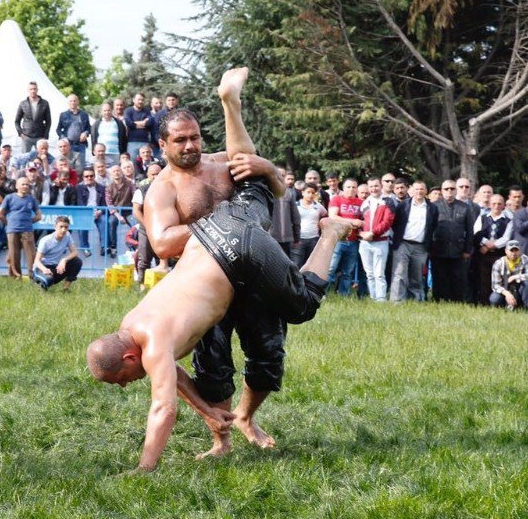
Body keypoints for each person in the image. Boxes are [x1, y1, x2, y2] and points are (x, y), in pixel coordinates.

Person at [88, 181, 353, 472]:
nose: (125, 384)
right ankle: (257, 175)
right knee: (254, 186)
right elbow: (170, 372)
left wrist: (145, 467)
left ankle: (330, 232)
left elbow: (163, 408)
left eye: (120, 378)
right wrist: (207, 411)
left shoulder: (152, 343)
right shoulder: (132, 324)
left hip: (238, 248)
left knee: (303, 305)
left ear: (128, 357)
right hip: (214, 225)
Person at [141, 68, 289, 457]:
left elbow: (278, 191)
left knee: (268, 353)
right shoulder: (162, 190)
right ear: (162, 146)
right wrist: (224, 227)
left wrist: (268, 169)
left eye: (194, 137)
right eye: (180, 140)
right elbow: (162, 243)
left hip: (253, 274)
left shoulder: (224, 162)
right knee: (214, 365)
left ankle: (245, 416)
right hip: (203, 285)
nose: (190, 146)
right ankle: (220, 439)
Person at [389, 180, 438, 301]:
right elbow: (396, 224)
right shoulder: (403, 205)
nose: (419, 192)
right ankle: (397, 301)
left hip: (421, 247)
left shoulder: (432, 208)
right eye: (416, 189)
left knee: (416, 276)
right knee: (399, 273)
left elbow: (433, 226)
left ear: (426, 191)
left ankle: (416, 300)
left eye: (422, 189)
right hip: (403, 244)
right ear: (411, 191)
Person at [430, 179, 476, 302]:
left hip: (458, 250)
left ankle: (456, 302)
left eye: (452, 189)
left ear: (456, 190)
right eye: (446, 189)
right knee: (439, 277)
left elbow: (470, 231)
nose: (449, 191)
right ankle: (438, 301)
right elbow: (429, 228)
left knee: (457, 279)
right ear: (441, 191)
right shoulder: (434, 206)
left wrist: (467, 250)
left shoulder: (465, 208)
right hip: (438, 249)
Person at [0, 177, 42, 279]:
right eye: (23, 184)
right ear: (17, 186)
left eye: (27, 184)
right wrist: (9, 223)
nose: (25, 186)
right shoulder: (9, 198)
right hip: (12, 230)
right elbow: (0, 214)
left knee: (31, 255)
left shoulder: (32, 199)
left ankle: (33, 276)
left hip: (27, 230)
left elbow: (39, 216)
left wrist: (29, 222)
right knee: (13, 255)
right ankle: (16, 277)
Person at [327, 178, 364, 296]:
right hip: (338, 239)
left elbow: (365, 220)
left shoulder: (361, 202)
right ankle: (322, 294)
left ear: (357, 189)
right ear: (343, 188)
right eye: (348, 187)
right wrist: (353, 221)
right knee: (331, 269)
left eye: (354, 187)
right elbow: (332, 216)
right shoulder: (336, 199)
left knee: (348, 272)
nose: (351, 189)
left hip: (354, 241)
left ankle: (344, 294)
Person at [33, 215, 83, 290]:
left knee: (77, 262)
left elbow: (75, 252)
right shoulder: (46, 241)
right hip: (42, 268)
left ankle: (65, 289)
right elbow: (37, 261)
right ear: (55, 227)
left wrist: (64, 260)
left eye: (66, 227)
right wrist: (44, 269)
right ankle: (40, 283)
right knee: (47, 281)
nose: (63, 230)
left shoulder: (67, 235)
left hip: (55, 267)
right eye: (61, 226)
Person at [489, 241, 528, 309]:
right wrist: (507, 294)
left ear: (519, 251)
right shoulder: (498, 263)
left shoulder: (524, 259)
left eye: (516, 250)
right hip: (505, 290)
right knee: (494, 299)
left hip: (519, 290)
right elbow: (495, 285)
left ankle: (527, 309)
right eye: (511, 250)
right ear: (506, 251)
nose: (514, 253)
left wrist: (516, 277)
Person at [293, 182, 328, 268]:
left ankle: (307, 281)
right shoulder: (296, 205)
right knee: (296, 264)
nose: (310, 195)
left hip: (314, 239)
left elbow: (325, 215)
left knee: (311, 264)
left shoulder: (318, 206)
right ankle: (295, 281)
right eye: (308, 192)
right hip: (299, 239)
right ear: (302, 192)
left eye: (313, 193)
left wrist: (321, 224)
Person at [14, 82, 51, 154]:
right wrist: (20, 133)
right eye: (31, 89)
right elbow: (16, 121)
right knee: (25, 157)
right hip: (26, 136)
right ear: (28, 90)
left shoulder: (44, 103)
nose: (33, 91)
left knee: (42, 156)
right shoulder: (23, 103)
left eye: (34, 89)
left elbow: (48, 121)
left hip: (40, 135)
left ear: (37, 90)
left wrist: (46, 135)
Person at [56, 94, 90, 172]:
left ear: (78, 102)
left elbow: (88, 128)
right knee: (68, 167)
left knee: (80, 168)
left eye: (74, 101)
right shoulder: (63, 115)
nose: (73, 102)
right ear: (68, 103)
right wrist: (63, 139)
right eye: (71, 101)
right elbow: (58, 129)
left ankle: (78, 184)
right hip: (68, 146)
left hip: (81, 145)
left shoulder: (84, 115)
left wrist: (85, 133)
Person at [123, 92, 153, 159]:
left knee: (146, 163)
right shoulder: (128, 111)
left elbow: (149, 123)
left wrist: (135, 123)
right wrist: (143, 123)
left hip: (144, 142)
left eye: (142, 100)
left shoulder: (147, 111)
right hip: (132, 142)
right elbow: (129, 123)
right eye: (139, 99)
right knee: (132, 163)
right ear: (134, 100)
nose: (140, 101)